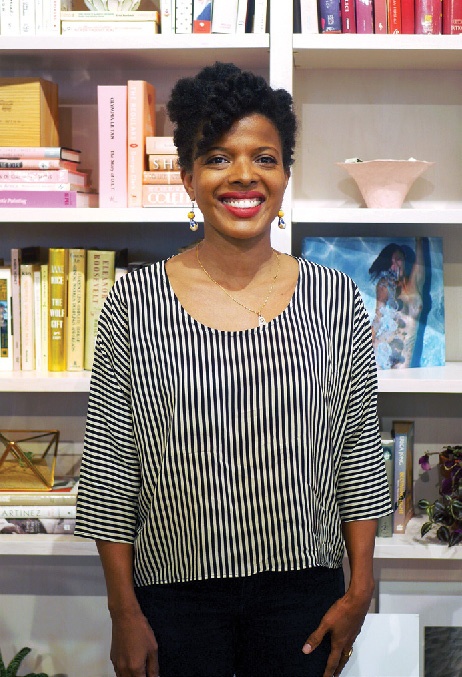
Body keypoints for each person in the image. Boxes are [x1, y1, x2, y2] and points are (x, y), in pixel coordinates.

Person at [75, 62, 392, 677]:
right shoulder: (133, 299)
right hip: (173, 601)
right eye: (219, 158)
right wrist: (122, 611)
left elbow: (359, 459)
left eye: (264, 158)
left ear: (285, 175)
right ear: (189, 179)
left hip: (305, 597)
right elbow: (111, 471)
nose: (243, 175)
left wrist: (358, 593)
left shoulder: (335, 297)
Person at [369, 237, 426, 369]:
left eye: (398, 259)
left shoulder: (415, 283)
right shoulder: (385, 285)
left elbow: (419, 242)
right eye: (391, 263)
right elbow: (378, 317)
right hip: (383, 350)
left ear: (404, 258)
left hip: (405, 354)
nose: (395, 266)